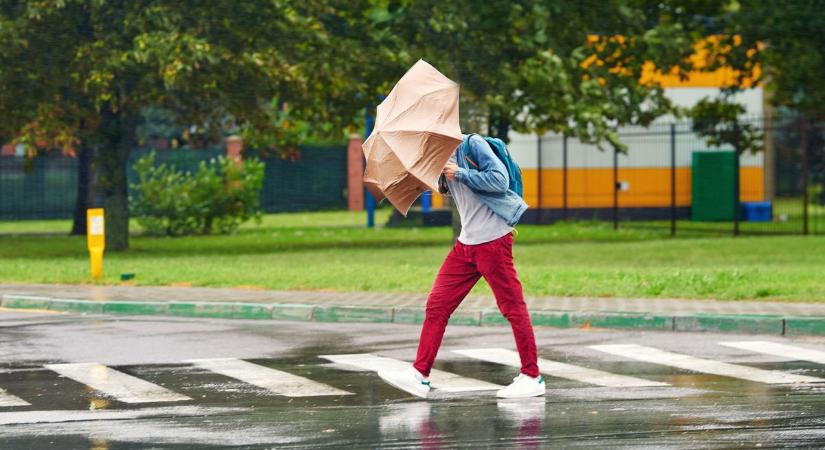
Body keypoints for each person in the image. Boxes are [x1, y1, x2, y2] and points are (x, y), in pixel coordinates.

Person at [379, 134, 544, 399]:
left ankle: (532, 376)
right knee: (437, 306)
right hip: (466, 245)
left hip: (493, 241)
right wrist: (431, 178)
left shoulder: (472, 145)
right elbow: (449, 189)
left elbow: (499, 180)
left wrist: (460, 173)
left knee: (512, 307)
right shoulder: (439, 156)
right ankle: (419, 374)